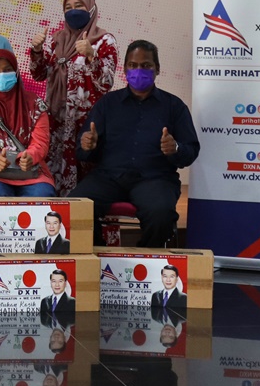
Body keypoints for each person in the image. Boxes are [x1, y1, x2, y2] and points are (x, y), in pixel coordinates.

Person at [73, 40, 200, 248]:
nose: (138, 70)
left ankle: (143, 260)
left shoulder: (174, 106)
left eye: (146, 65)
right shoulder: (107, 104)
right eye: (133, 65)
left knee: (161, 215)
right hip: (109, 178)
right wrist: (88, 146)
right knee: (75, 207)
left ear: (157, 69)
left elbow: (191, 150)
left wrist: (175, 149)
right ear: (125, 69)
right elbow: (82, 150)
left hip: (154, 179)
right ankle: (97, 257)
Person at [29, 0, 118, 195]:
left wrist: (91, 55)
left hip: (87, 122)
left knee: (87, 179)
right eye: (68, 7)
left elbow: (106, 82)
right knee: (54, 176)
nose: (73, 11)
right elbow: (39, 74)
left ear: (91, 8)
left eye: (79, 6)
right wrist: (37, 50)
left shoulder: (104, 40)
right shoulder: (56, 40)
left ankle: (88, 215)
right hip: (57, 123)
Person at [0, 48, 55, 197]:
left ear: (16, 72)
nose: (2, 75)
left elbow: (41, 143)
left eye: (7, 70)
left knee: (41, 195)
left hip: (31, 172)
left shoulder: (35, 104)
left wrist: (30, 156)